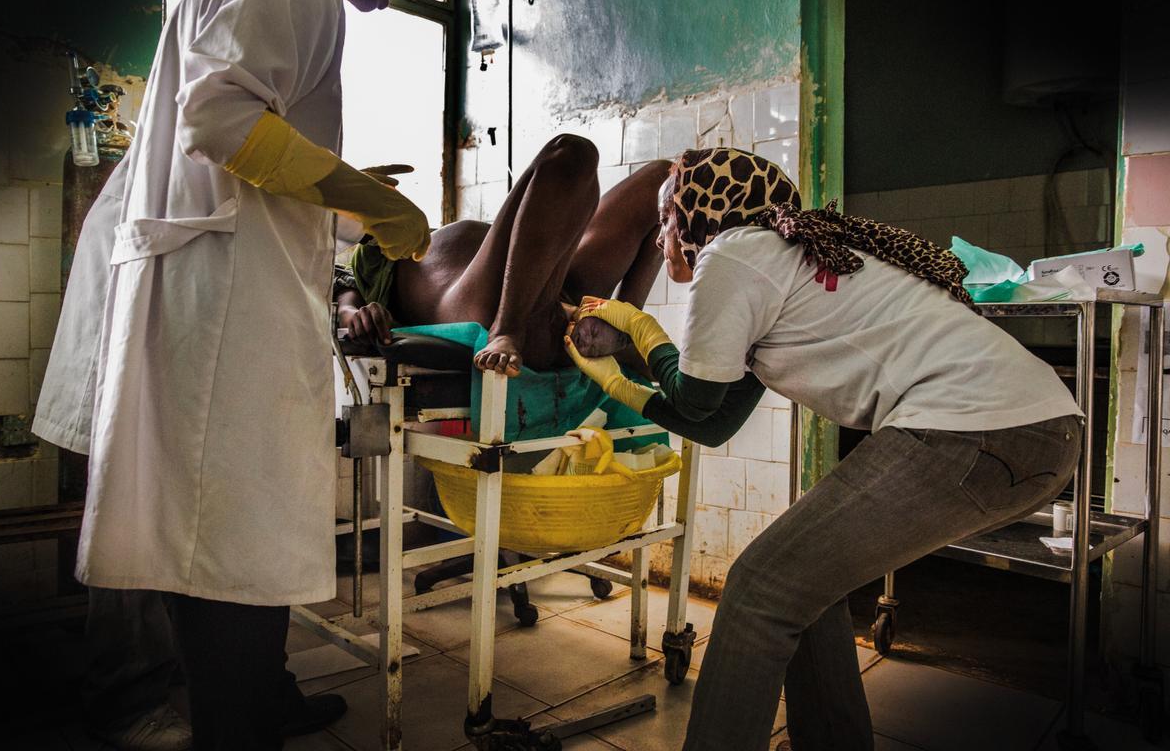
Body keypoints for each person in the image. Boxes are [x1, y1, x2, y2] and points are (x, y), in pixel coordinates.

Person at [33, 0, 430, 748]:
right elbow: (218, 120)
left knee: (213, 540)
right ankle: (232, 721)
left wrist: (348, 201)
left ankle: (255, 703)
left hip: (205, 295)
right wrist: (369, 199)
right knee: (227, 547)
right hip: (222, 314)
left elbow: (238, 141)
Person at [565, 147, 1083, 751]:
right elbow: (712, 422)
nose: (659, 239)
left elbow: (696, 398)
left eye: (665, 220)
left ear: (699, 211)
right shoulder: (786, 263)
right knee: (802, 582)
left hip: (974, 428)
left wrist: (636, 325)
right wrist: (614, 379)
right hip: (1037, 429)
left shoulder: (733, 252)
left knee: (759, 588)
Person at [336, 134, 670, 373]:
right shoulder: (356, 256)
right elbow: (343, 306)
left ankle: (624, 325)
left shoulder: (413, 231)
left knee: (664, 179)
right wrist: (358, 315)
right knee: (570, 152)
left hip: (548, 287)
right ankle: (507, 332)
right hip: (492, 307)